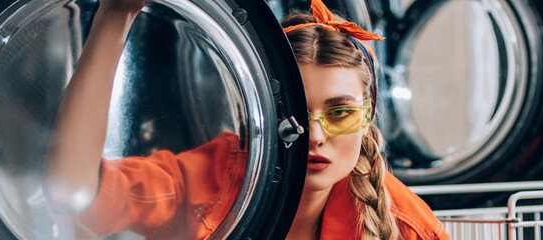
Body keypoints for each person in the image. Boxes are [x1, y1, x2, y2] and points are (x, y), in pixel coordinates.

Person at [42, 0, 450, 239]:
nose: (316, 137)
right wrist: (116, 15)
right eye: (295, 115)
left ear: (368, 118)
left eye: (340, 112)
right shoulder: (215, 176)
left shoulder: (405, 226)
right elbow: (75, 194)